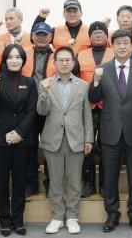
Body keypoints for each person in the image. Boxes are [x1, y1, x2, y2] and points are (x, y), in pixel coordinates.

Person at [89, 29, 132, 233]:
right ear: (112, 46)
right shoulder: (102, 69)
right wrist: (96, 81)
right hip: (110, 131)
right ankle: (112, 213)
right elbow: (93, 98)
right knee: (109, 176)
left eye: (126, 43)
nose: (122, 46)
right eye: (118, 43)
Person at [37, 47, 94, 234]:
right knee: (55, 181)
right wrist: (44, 94)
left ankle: (72, 217)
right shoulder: (45, 83)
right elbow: (41, 111)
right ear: (54, 63)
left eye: (67, 60)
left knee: (74, 181)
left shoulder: (83, 85)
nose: (64, 63)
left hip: (76, 139)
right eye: (60, 60)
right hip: (52, 139)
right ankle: (56, 217)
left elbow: (87, 115)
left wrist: (89, 139)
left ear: (73, 62)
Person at [0, 44, 38, 236]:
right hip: (1, 138)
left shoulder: (29, 82)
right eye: (10, 57)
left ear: (23, 60)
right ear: (5, 60)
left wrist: (19, 132)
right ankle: (4, 220)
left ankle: (18, 220)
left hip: (22, 139)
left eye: (18, 57)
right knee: (1, 182)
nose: (14, 60)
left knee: (19, 182)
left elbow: (32, 111)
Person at [77, 21, 114, 197]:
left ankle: (105, 184)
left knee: (107, 147)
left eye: (101, 32)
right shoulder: (81, 55)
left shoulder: (115, 54)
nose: (98, 35)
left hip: (109, 107)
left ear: (107, 36)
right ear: (89, 36)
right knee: (87, 147)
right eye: (94, 33)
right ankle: (89, 183)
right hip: (87, 107)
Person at [20, 22, 56, 197]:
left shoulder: (59, 55)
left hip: (51, 106)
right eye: (38, 34)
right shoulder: (22, 54)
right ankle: (30, 184)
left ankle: (51, 184)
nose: (41, 38)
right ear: (32, 36)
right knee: (29, 147)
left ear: (50, 37)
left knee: (51, 147)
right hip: (28, 106)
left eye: (45, 35)